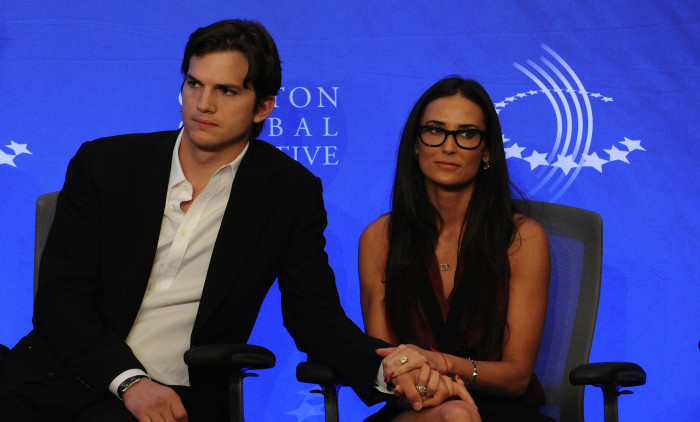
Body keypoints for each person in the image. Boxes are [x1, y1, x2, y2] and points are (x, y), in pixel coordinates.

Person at [0, 19, 466, 422]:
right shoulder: (105, 163)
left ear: (263, 106)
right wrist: (128, 382)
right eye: (194, 84)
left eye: (226, 91)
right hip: (59, 376)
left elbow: (313, 315)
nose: (203, 104)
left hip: (177, 401)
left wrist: (384, 367)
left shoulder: (288, 192)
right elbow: (61, 299)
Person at [359, 77, 555, 421]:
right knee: (454, 417)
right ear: (416, 144)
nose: (449, 146)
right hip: (415, 406)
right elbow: (387, 362)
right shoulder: (379, 238)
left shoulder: (522, 238)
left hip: (502, 410)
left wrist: (446, 365)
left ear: (487, 151)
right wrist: (440, 391)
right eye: (435, 130)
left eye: (466, 134)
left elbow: (517, 376)